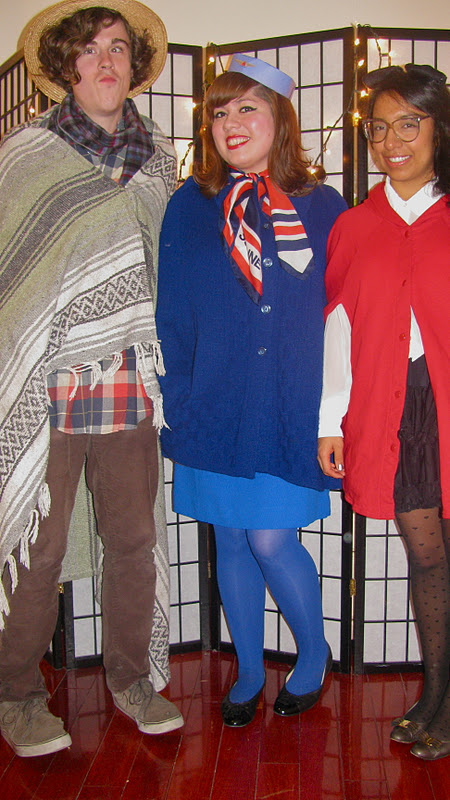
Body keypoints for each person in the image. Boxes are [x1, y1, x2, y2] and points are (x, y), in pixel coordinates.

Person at [0, 0, 184, 759]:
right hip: (46, 381)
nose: (105, 61)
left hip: (132, 377)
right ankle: (16, 695)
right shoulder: (24, 155)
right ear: (64, 67)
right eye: (88, 49)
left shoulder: (161, 159)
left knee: (134, 539)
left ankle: (134, 680)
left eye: (117, 47)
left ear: (135, 65)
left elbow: (174, 268)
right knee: (39, 548)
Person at [156, 54, 347, 727]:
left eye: (247, 108)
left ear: (280, 120)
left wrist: (334, 412)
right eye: (219, 111)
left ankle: (314, 653)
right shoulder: (189, 205)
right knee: (231, 540)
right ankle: (244, 669)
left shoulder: (323, 206)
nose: (230, 122)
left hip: (289, 404)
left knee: (269, 540)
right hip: (211, 404)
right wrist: (176, 396)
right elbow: (172, 311)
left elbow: (342, 315)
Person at [318, 64, 449, 760]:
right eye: (378, 128)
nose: (391, 142)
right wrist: (330, 419)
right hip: (397, 407)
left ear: (438, 129)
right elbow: (339, 329)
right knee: (427, 557)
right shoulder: (354, 226)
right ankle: (437, 691)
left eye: (409, 123)